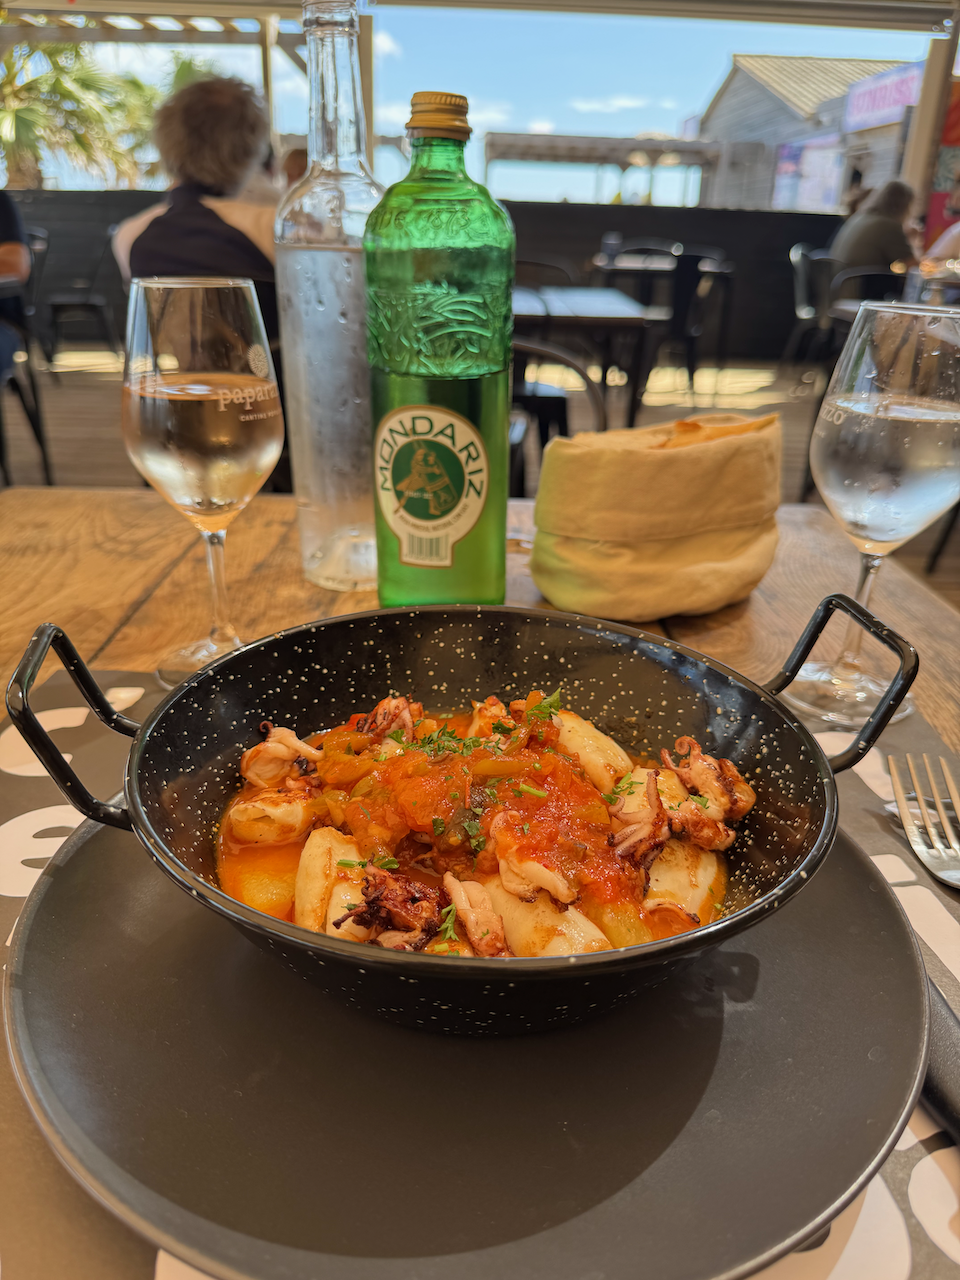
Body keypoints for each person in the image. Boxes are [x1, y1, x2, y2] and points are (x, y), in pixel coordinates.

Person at [112, 77, 278, 344]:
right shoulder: (278, 228)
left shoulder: (130, 235)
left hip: (170, 382)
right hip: (269, 381)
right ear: (252, 147)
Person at [829, 180, 918, 295]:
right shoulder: (888, 225)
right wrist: (914, 240)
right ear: (905, 205)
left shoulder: (860, 218)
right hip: (857, 291)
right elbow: (913, 268)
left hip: (837, 288)